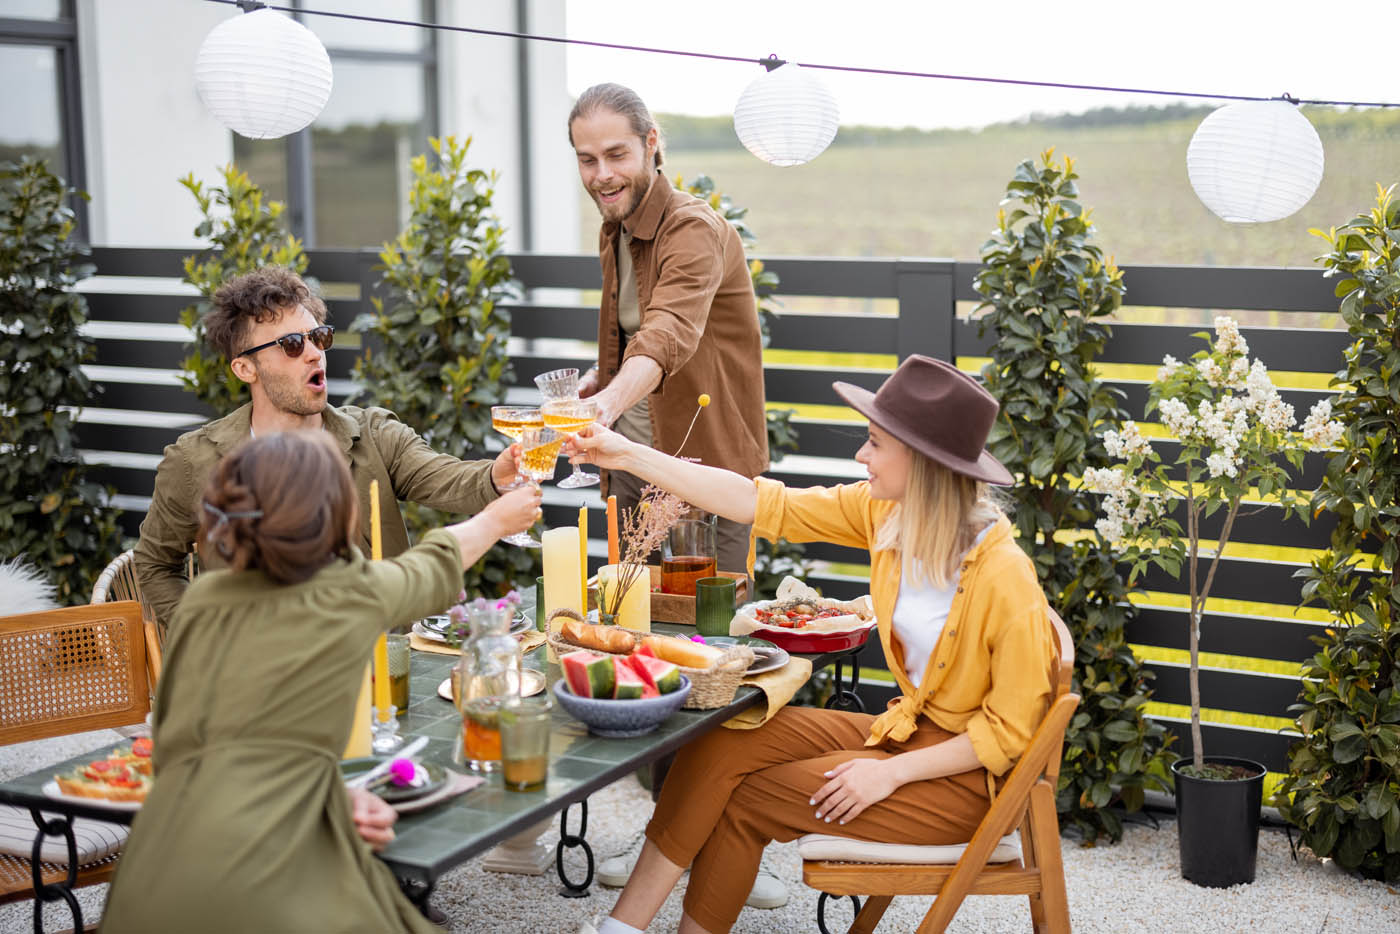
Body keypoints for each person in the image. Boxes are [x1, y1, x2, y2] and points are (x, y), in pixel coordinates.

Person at [566, 355, 1057, 934]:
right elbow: (759, 502)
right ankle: (623, 928)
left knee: (751, 797)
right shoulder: (890, 517)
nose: (861, 457)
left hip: (969, 784)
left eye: (874, 443)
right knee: (724, 737)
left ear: (921, 462)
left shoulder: (1005, 576)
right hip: (910, 732)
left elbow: (1011, 735)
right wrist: (624, 453)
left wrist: (889, 775)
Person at [101, 431, 542, 933]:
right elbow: (434, 565)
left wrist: (329, 792)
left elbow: (180, 749)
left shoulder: (203, 597)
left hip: (153, 872)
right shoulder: (345, 595)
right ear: (336, 515)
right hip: (264, 879)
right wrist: (495, 519)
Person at [135, 266, 521, 631]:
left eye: (318, 337)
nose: (314, 352)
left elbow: (445, 476)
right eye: (291, 344)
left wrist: (495, 475)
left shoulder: (372, 433)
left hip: (380, 660)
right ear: (245, 369)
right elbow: (153, 565)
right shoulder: (194, 460)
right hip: (268, 676)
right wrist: (207, 632)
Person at [568, 82, 768, 575]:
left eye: (617, 155)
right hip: (633, 462)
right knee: (637, 625)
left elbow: (667, 331)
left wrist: (604, 406)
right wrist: (605, 378)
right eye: (587, 160)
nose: (602, 175)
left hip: (704, 469)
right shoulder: (615, 227)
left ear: (651, 142)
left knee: (713, 635)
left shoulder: (693, 228)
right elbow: (633, 328)